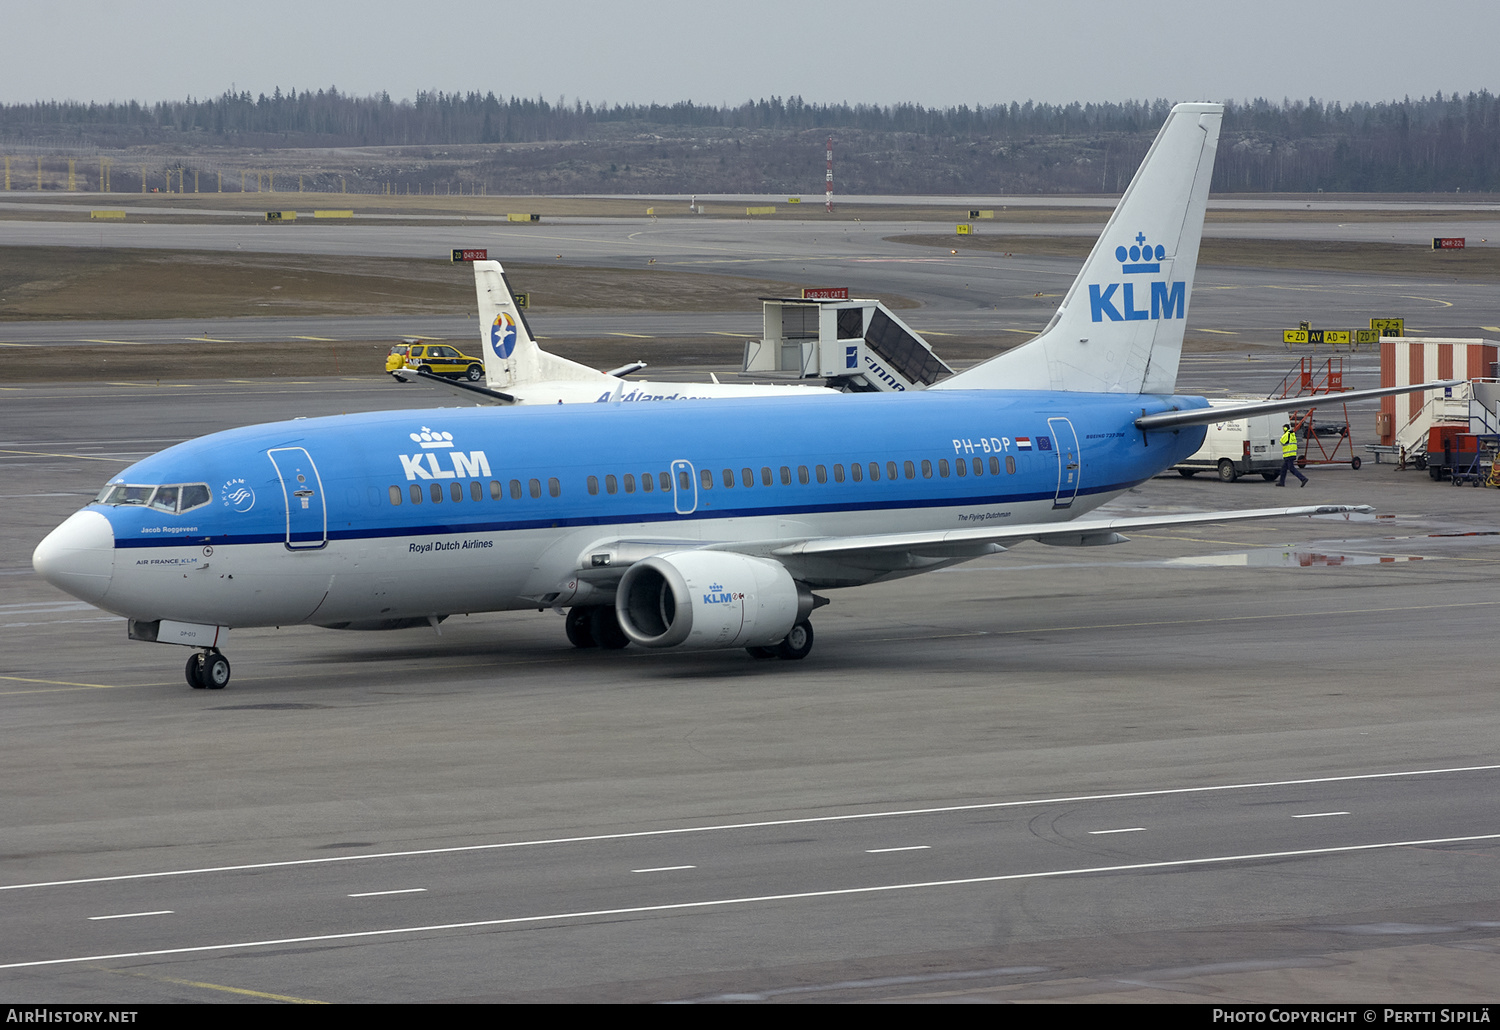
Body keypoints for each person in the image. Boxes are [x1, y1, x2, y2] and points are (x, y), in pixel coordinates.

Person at [1278, 422, 1308, 487]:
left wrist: (1283, 435)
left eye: (1283, 428)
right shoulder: (1292, 434)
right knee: (1283, 469)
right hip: (1292, 454)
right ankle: (1281, 482)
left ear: (1285, 428)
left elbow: (1281, 442)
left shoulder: (1287, 434)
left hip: (1288, 454)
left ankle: (1303, 479)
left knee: (1291, 469)